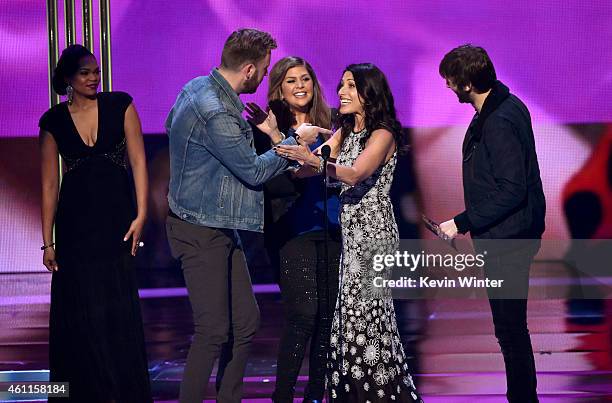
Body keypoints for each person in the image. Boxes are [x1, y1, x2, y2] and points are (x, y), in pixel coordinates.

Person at [164, 30, 330, 403]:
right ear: (251, 69)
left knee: (245, 321)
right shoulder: (216, 109)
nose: (265, 76)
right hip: (198, 226)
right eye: (267, 69)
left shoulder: (196, 87)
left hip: (220, 222)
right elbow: (254, 172)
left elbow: (171, 126)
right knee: (212, 329)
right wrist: (292, 140)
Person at [276, 63, 422, 402]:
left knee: (367, 316)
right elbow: (306, 168)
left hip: (373, 232)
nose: (341, 91)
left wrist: (311, 161)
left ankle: (380, 392)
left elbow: (355, 174)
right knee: (348, 317)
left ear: (368, 93)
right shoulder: (346, 129)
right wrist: (284, 143)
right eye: (341, 84)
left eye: (351, 86)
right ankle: (353, 393)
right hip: (350, 232)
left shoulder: (382, 132)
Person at [39, 44, 151, 402]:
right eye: (85, 72)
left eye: (96, 71)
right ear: (68, 78)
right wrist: (48, 241)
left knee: (116, 299)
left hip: (117, 218)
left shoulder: (120, 104)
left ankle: (122, 387)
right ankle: (82, 390)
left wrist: (142, 214)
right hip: (75, 225)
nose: (93, 78)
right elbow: (49, 184)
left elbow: (138, 162)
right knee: (80, 304)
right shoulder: (53, 120)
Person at [437, 44, 546, 403]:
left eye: (451, 81)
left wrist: (461, 221)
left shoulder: (499, 119)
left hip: (509, 239)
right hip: (506, 237)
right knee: (509, 328)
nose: (448, 87)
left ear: (466, 82)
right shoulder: (499, 107)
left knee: (511, 328)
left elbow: (512, 189)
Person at [247, 56, 342, 402]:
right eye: (291, 80)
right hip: (291, 230)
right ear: (280, 89)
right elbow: (275, 183)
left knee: (328, 318)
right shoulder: (267, 128)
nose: (300, 85)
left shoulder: (333, 123)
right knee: (304, 312)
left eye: (305, 78)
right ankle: (282, 396)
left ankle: (315, 395)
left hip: (333, 228)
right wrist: (279, 137)